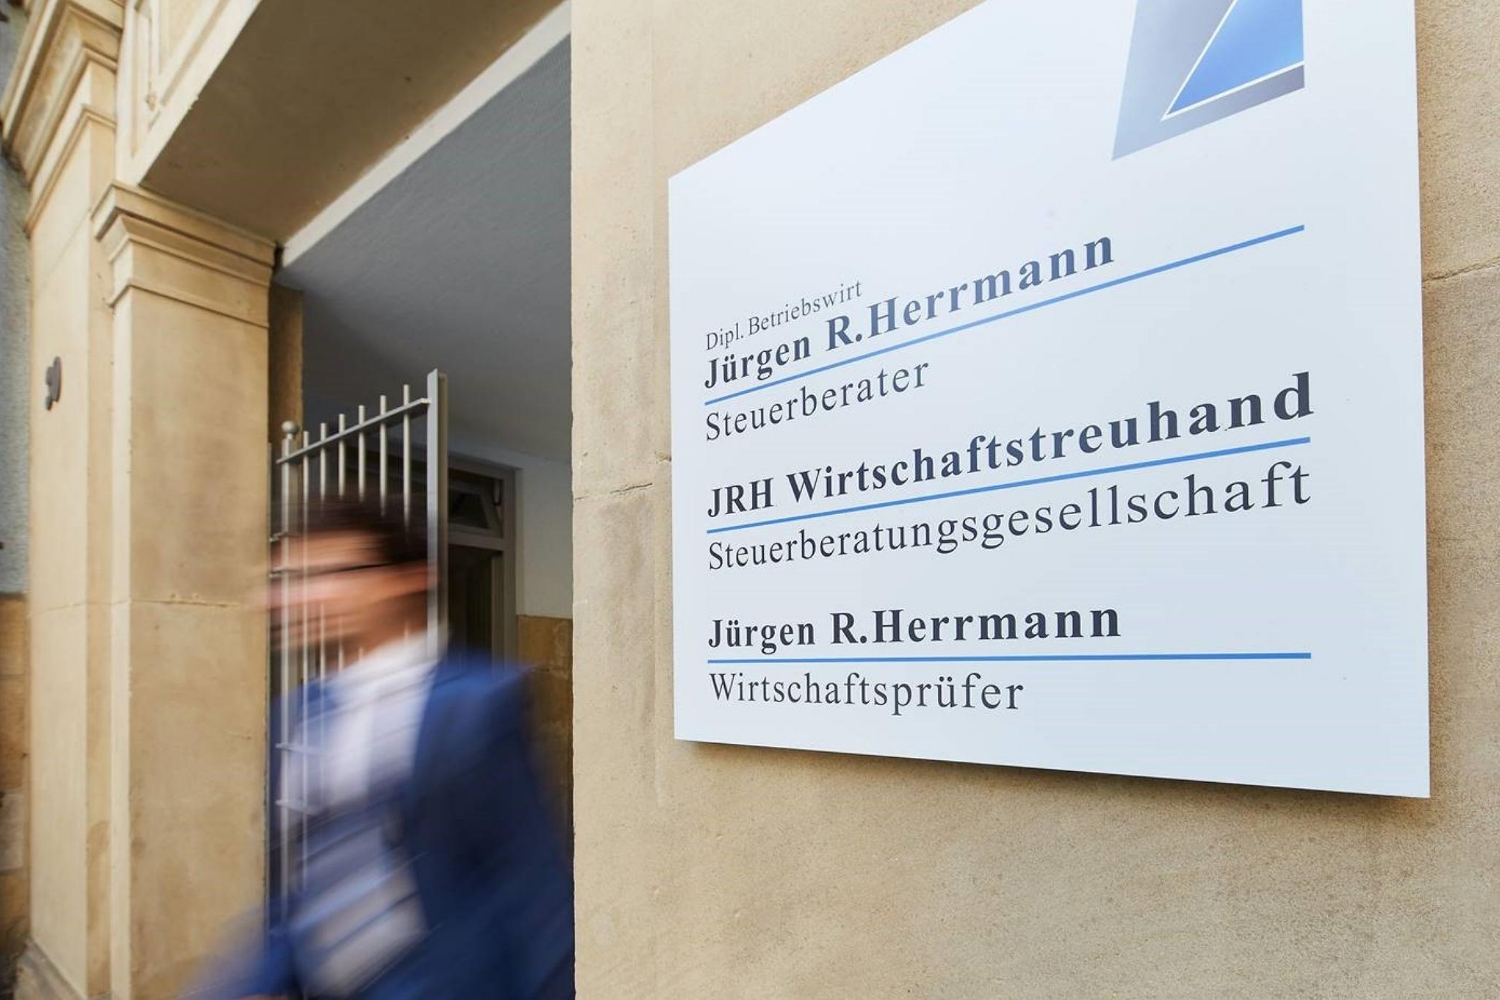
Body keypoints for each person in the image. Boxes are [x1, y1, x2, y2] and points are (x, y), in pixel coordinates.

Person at [199, 498, 573, 1000]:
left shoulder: (480, 703)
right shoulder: (299, 713)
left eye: (327, 573)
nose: (296, 596)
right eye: (289, 578)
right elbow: (309, 892)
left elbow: (533, 890)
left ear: (406, 579)